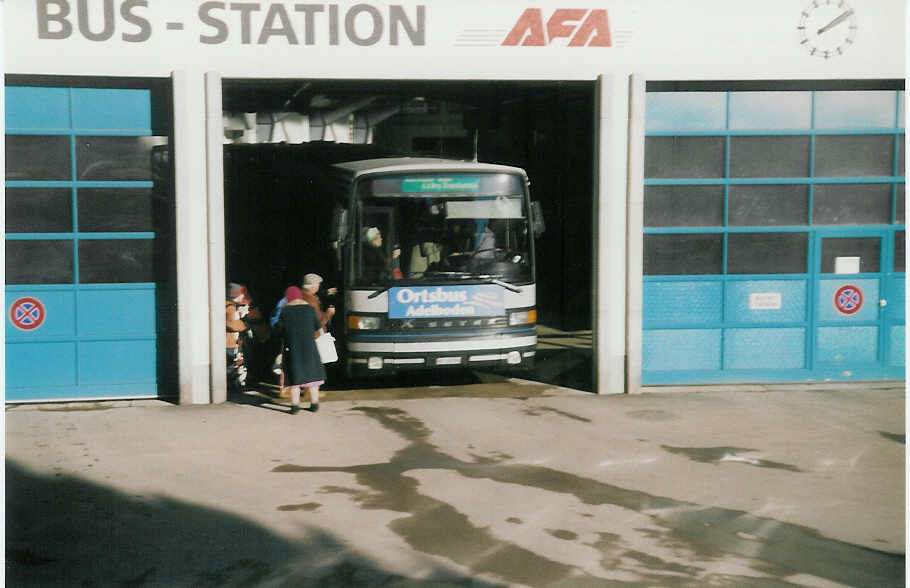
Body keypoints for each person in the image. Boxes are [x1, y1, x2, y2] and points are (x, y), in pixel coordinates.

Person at [272, 286, 325, 414]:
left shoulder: (285, 311)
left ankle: (295, 406)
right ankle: (314, 404)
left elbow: (279, 330)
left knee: (294, 377)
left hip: (292, 349)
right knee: (312, 378)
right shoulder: (310, 309)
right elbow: (318, 327)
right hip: (310, 348)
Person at [225, 282, 251, 392]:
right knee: (231, 365)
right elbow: (232, 324)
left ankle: (232, 385)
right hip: (229, 341)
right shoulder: (230, 308)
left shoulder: (230, 306)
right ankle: (231, 387)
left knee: (232, 364)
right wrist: (245, 325)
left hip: (230, 341)